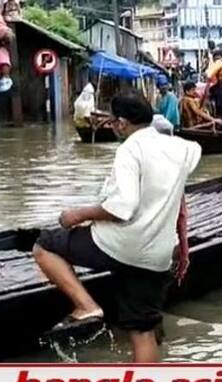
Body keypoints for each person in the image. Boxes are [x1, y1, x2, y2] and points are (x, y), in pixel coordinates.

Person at [33, 92, 202, 363]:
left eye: (114, 122)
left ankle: (86, 306)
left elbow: (122, 208)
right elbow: (179, 202)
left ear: (122, 123)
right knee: (143, 332)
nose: (113, 127)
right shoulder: (183, 148)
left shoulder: (129, 149)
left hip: (117, 244)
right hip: (156, 255)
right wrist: (183, 246)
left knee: (45, 245)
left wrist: (75, 215)